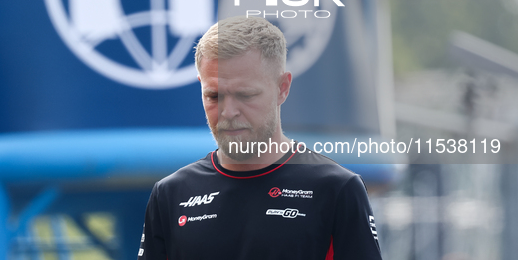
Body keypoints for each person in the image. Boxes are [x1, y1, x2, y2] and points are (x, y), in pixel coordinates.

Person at [137, 17, 382, 259]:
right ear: (201, 86)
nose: (228, 111)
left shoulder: (336, 189)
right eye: (213, 96)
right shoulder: (171, 194)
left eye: (245, 95)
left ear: (282, 88)